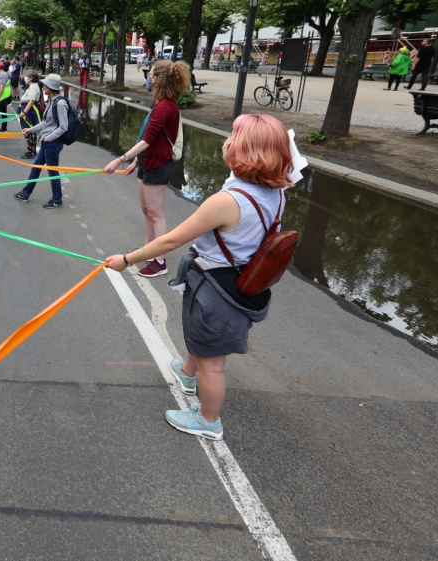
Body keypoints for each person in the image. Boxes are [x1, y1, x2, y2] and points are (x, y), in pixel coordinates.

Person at [105, 113, 295, 441]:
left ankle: (208, 421)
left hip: (217, 292)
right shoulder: (275, 195)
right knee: (202, 341)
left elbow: (171, 240)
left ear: (243, 148)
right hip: (239, 286)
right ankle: (187, 373)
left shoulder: (228, 201)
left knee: (214, 363)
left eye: (235, 137)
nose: (229, 141)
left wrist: (126, 259)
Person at [103, 60, 188, 278]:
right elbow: (149, 139)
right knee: (147, 211)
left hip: (158, 166)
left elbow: (147, 140)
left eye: (151, 75)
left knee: (156, 214)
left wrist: (120, 159)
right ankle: (148, 250)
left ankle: (159, 261)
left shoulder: (166, 106)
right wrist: (136, 161)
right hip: (147, 162)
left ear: (160, 80)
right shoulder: (160, 103)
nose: (149, 79)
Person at [13, 73, 68, 209]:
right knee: (36, 168)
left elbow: (63, 127)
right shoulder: (51, 101)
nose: (43, 86)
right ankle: (25, 193)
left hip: (52, 143)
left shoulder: (60, 103)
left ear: (51, 87)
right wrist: (31, 130)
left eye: (45, 85)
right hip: (46, 142)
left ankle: (57, 199)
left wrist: (49, 138)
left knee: (52, 171)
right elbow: (45, 122)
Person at [18, 70, 43, 159]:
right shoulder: (32, 86)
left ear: (31, 78)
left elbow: (31, 101)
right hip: (27, 110)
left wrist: (24, 112)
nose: (24, 77)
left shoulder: (33, 87)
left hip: (29, 111)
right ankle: (31, 149)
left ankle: (31, 150)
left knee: (29, 130)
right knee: (28, 130)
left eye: (26, 76)